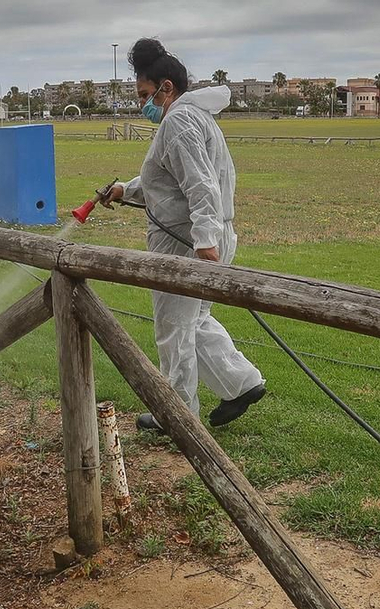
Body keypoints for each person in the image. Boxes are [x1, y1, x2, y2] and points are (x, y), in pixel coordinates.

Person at [104, 37, 265, 433]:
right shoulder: (194, 118)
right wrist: (127, 189)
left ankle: (176, 414)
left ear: (166, 87)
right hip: (203, 235)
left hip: (187, 241)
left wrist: (204, 240)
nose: (143, 103)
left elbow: (200, 184)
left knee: (173, 327)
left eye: (145, 94)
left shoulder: (177, 120)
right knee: (194, 320)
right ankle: (242, 384)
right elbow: (168, 180)